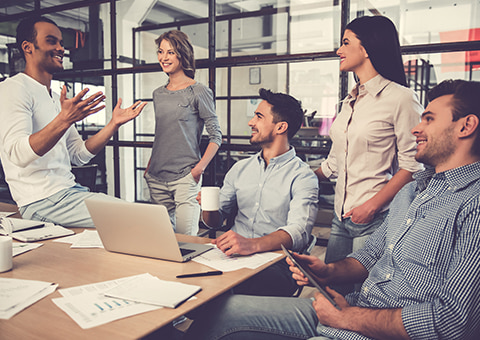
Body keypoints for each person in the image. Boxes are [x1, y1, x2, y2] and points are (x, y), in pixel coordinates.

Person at [184, 79, 480, 340]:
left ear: (466, 126)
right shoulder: (412, 190)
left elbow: (452, 322)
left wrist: (347, 318)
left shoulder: (473, 204)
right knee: (221, 312)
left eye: (427, 119)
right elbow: (371, 255)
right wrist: (328, 271)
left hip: (366, 324)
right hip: (353, 309)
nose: (416, 128)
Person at [0, 16, 147, 228]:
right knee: (145, 220)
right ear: (28, 47)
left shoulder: (53, 97)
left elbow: (78, 155)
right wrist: (64, 119)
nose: (61, 48)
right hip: (43, 201)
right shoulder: (13, 88)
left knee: (150, 220)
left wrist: (113, 124)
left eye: (61, 42)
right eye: (52, 41)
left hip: (69, 192)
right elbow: (17, 154)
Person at [315, 16, 423, 292]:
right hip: (341, 218)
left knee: (363, 298)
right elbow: (335, 163)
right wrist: (291, 173)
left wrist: (371, 207)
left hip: (375, 219)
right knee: (331, 293)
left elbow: (413, 167)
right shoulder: (350, 101)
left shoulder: (401, 98)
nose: (339, 50)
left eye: (346, 42)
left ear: (366, 49)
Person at [199, 88, 319, 297]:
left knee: (225, 292)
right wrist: (209, 207)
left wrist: (251, 245)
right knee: (187, 276)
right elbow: (215, 222)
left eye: (259, 116)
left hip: (276, 263)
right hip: (231, 256)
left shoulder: (303, 176)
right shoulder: (240, 169)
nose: (250, 122)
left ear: (280, 127)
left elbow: (299, 232)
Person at [144, 30, 222, 236]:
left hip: (185, 179)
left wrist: (198, 169)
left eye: (170, 52)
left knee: (186, 242)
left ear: (182, 54)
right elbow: (163, 133)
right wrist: (150, 167)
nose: (163, 57)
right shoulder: (158, 94)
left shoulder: (199, 91)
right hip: (156, 177)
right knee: (162, 242)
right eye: (161, 52)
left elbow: (216, 137)